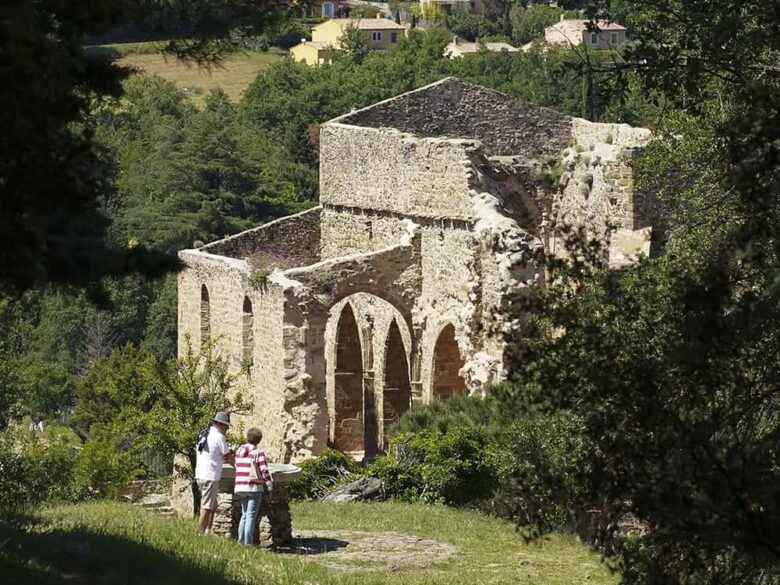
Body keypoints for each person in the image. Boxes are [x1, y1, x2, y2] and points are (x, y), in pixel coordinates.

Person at [195, 411, 234, 534]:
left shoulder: (204, 433)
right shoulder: (219, 437)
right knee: (206, 507)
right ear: (221, 425)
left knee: (213, 504)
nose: (227, 429)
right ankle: (200, 535)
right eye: (226, 426)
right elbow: (227, 457)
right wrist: (240, 466)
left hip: (200, 474)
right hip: (210, 476)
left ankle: (209, 529)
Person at [233, 427, 273, 546]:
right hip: (253, 487)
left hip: (240, 486)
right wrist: (269, 486)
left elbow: (236, 466)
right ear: (259, 440)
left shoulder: (239, 451)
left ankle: (240, 541)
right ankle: (248, 544)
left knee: (244, 515)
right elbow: (264, 470)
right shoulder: (258, 452)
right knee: (251, 515)